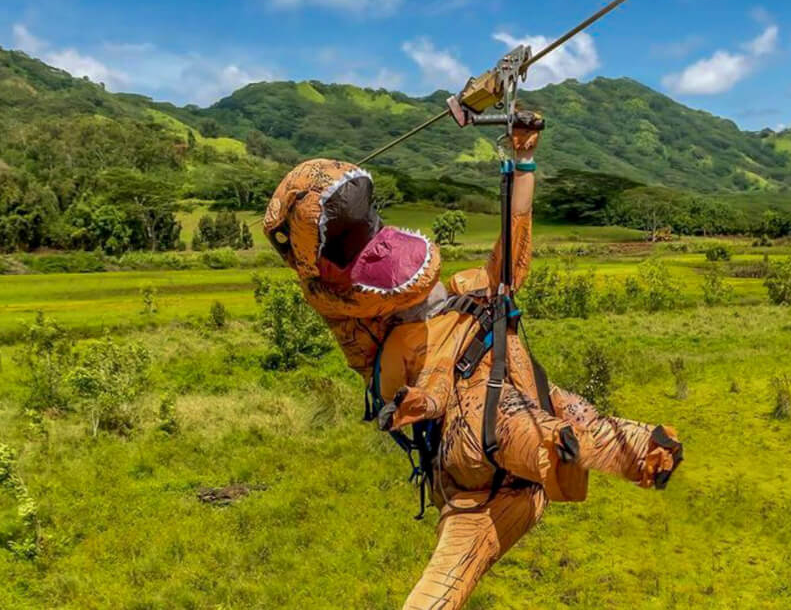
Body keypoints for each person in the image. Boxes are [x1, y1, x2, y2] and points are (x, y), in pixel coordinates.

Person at [263, 114, 683, 609]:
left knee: (564, 410)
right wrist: (417, 401)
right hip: (475, 475)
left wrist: (522, 160)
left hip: (528, 415)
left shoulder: (469, 290)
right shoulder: (377, 330)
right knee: (497, 441)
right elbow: (427, 384)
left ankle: (627, 451)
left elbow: (512, 259)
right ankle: (559, 457)